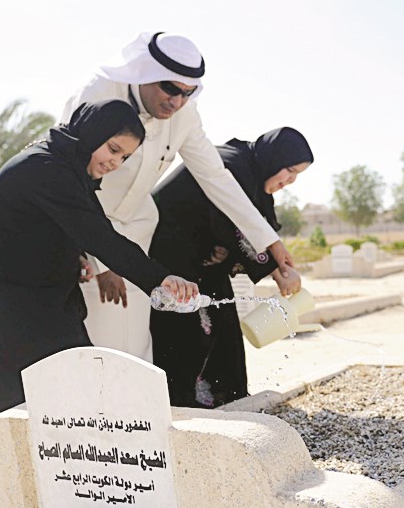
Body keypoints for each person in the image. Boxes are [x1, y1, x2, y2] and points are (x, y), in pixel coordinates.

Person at [0, 100, 198, 433]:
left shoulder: (67, 168)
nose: (115, 163)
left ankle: (71, 447)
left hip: (36, 283)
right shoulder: (46, 167)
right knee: (13, 381)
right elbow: (100, 236)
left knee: (71, 366)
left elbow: (65, 225)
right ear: (92, 133)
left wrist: (73, 257)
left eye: (124, 157)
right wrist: (159, 278)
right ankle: (0, 450)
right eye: (113, 149)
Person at [61, 32, 298, 363]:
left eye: (187, 93)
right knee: (99, 335)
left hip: (137, 231)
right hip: (85, 229)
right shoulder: (98, 93)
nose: (176, 102)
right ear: (145, 73)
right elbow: (68, 179)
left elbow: (215, 177)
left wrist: (269, 241)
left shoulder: (185, 114)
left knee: (136, 337)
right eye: (169, 89)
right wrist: (102, 261)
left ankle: (136, 397)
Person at [149, 127, 313, 407]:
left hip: (203, 264)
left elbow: (257, 225)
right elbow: (233, 223)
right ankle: (180, 405)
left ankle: (225, 400)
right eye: (290, 171)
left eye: (297, 175)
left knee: (224, 327)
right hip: (169, 259)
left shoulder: (252, 175)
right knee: (187, 331)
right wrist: (275, 270)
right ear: (274, 159)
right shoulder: (230, 164)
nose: (291, 181)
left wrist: (278, 266)